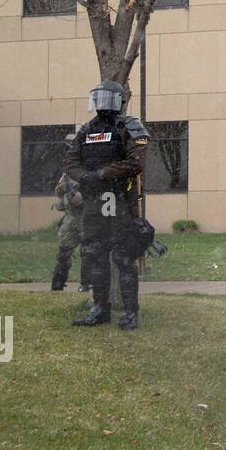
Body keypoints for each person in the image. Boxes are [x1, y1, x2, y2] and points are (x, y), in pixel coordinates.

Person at [62, 80, 150, 329]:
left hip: (121, 201)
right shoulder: (87, 130)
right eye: (99, 98)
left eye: (107, 98)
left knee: (123, 257)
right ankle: (100, 308)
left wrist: (101, 174)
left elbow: (136, 163)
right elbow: (70, 162)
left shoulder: (130, 126)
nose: (102, 103)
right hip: (94, 203)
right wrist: (85, 177)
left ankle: (131, 312)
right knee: (94, 254)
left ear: (120, 101)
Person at [50, 165, 87, 292]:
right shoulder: (68, 175)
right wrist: (62, 188)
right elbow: (60, 202)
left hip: (84, 220)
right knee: (64, 254)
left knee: (88, 252)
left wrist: (70, 190)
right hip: (70, 221)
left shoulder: (86, 174)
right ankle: (57, 284)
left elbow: (81, 201)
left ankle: (86, 284)